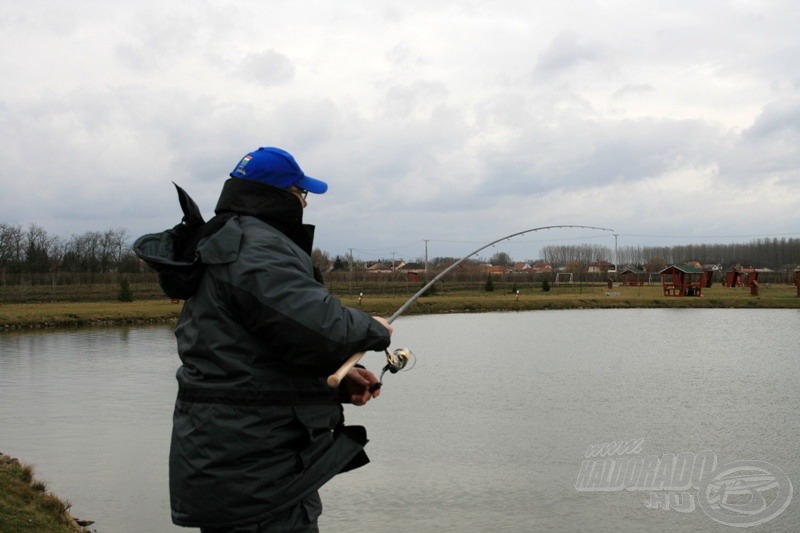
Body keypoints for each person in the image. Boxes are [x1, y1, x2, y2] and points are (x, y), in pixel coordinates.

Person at [134, 147, 393, 532]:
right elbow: (315, 327)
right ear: (282, 195)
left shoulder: (229, 239)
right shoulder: (256, 246)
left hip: (244, 463)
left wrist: (335, 380)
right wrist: (372, 328)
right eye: (302, 194)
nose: (304, 202)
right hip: (256, 472)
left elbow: (253, 353)